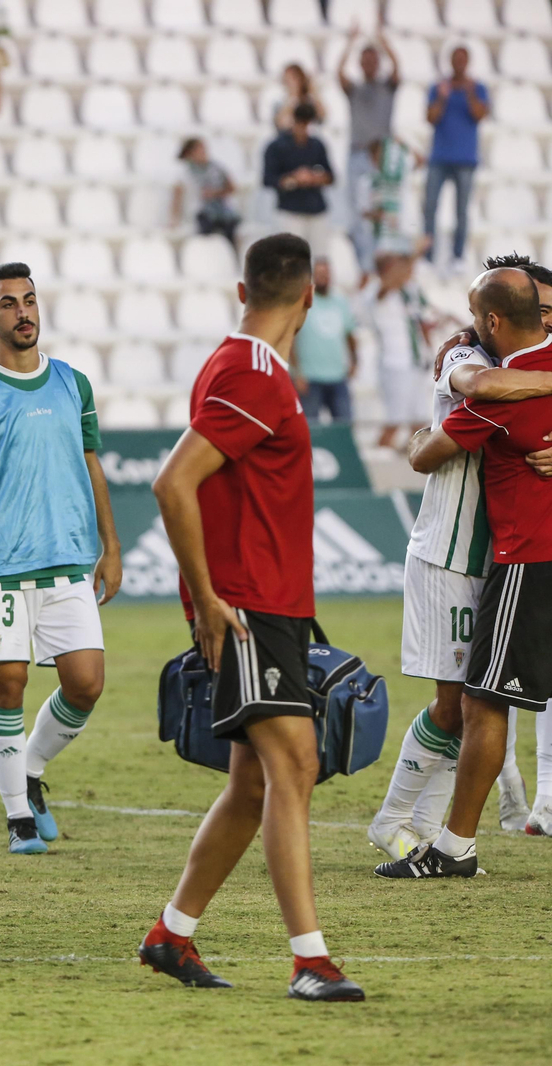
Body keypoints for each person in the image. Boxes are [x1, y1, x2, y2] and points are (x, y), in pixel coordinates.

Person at [136, 233, 364, 1002]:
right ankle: (310, 959)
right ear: (309, 296)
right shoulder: (254, 373)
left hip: (270, 604)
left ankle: (173, 933)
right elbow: (174, 484)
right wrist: (205, 596)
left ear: (244, 289)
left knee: (254, 784)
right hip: (246, 606)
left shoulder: (245, 366)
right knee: (294, 764)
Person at [0, 262, 119, 855]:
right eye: (8, 303)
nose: (23, 311)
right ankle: (18, 819)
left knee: (85, 684)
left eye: (29, 300)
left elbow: (92, 466)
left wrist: (111, 547)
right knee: (6, 687)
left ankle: (30, 772)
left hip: (67, 562)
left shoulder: (72, 383)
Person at [367, 255, 552, 859]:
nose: (548, 322)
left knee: (476, 703)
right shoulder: (465, 352)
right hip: (453, 544)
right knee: (459, 704)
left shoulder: (534, 360)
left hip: (503, 552)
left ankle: (425, 829)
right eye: (543, 312)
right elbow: (482, 390)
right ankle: (397, 822)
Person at [337, 26, 399, 275]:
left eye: (374, 60)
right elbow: (338, 74)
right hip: (357, 154)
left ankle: (379, 261)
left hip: (380, 157)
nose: (369, 64)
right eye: (365, 60)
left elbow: (397, 69)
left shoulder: (387, 87)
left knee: (381, 211)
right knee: (358, 213)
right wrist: (350, 44)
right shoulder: (355, 89)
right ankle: (364, 264)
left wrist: (384, 41)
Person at [423, 47, 491, 273]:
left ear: (468, 62)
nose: (459, 64)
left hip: (465, 158)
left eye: (463, 59)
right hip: (440, 156)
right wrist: (443, 97)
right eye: (456, 59)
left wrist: (469, 93)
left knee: (461, 211)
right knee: (430, 206)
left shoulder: (477, 87)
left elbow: (479, 115)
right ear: (450, 62)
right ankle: (428, 256)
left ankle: (458, 256)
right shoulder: (439, 87)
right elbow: (431, 118)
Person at [364, 248, 434, 449]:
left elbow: (419, 321)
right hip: (394, 364)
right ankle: (377, 464)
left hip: (415, 362)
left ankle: (410, 466)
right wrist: (415, 252)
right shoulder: (376, 291)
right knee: (394, 422)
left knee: (419, 422)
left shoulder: (409, 290)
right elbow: (390, 282)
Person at [262, 102, 335, 258]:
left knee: (320, 257)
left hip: (316, 208)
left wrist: (314, 178)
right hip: (290, 209)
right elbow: (268, 180)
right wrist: (294, 179)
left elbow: (330, 177)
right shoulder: (276, 147)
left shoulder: (316, 145)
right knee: (292, 258)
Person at [291, 258, 358, 424]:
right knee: (309, 429)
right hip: (310, 377)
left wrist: (354, 360)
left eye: (326, 274)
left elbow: (349, 334)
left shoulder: (341, 301)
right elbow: (290, 339)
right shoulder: (302, 303)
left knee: (344, 426)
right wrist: (296, 372)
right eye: (319, 274)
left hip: (337, 376)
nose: (323, 278)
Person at [171, 138, 239, 248]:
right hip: (198, 212)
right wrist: (174, 219)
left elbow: (232, 187)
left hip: (221, 210)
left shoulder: (217, 167)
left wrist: (215, 193)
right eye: (200, 150)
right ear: (190, 152)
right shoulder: (183, 172)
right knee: (205, 228)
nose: (204, 152)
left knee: (230, 225)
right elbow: (177, 197)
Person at [272, 62, 324, 131]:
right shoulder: (279, 102)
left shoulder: (310, 100)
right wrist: (294, 97)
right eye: (287, 79)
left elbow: (322, 116)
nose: (291, 83)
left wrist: (314, 93)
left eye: (294, 78)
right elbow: (282, 124)